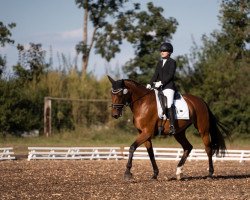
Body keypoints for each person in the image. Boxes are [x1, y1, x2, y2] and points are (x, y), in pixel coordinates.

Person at [146, 42, 176, 135]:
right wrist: (150, 84)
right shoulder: (159, 63)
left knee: (169, 104)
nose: (162, 52)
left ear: (169, 52)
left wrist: (162, 82)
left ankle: (172, 125)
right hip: (159, 87)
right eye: (161, 51)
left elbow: (171, 75)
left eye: (164, 51)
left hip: (168, 87)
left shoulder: (172, 62)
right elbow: (155, 75)